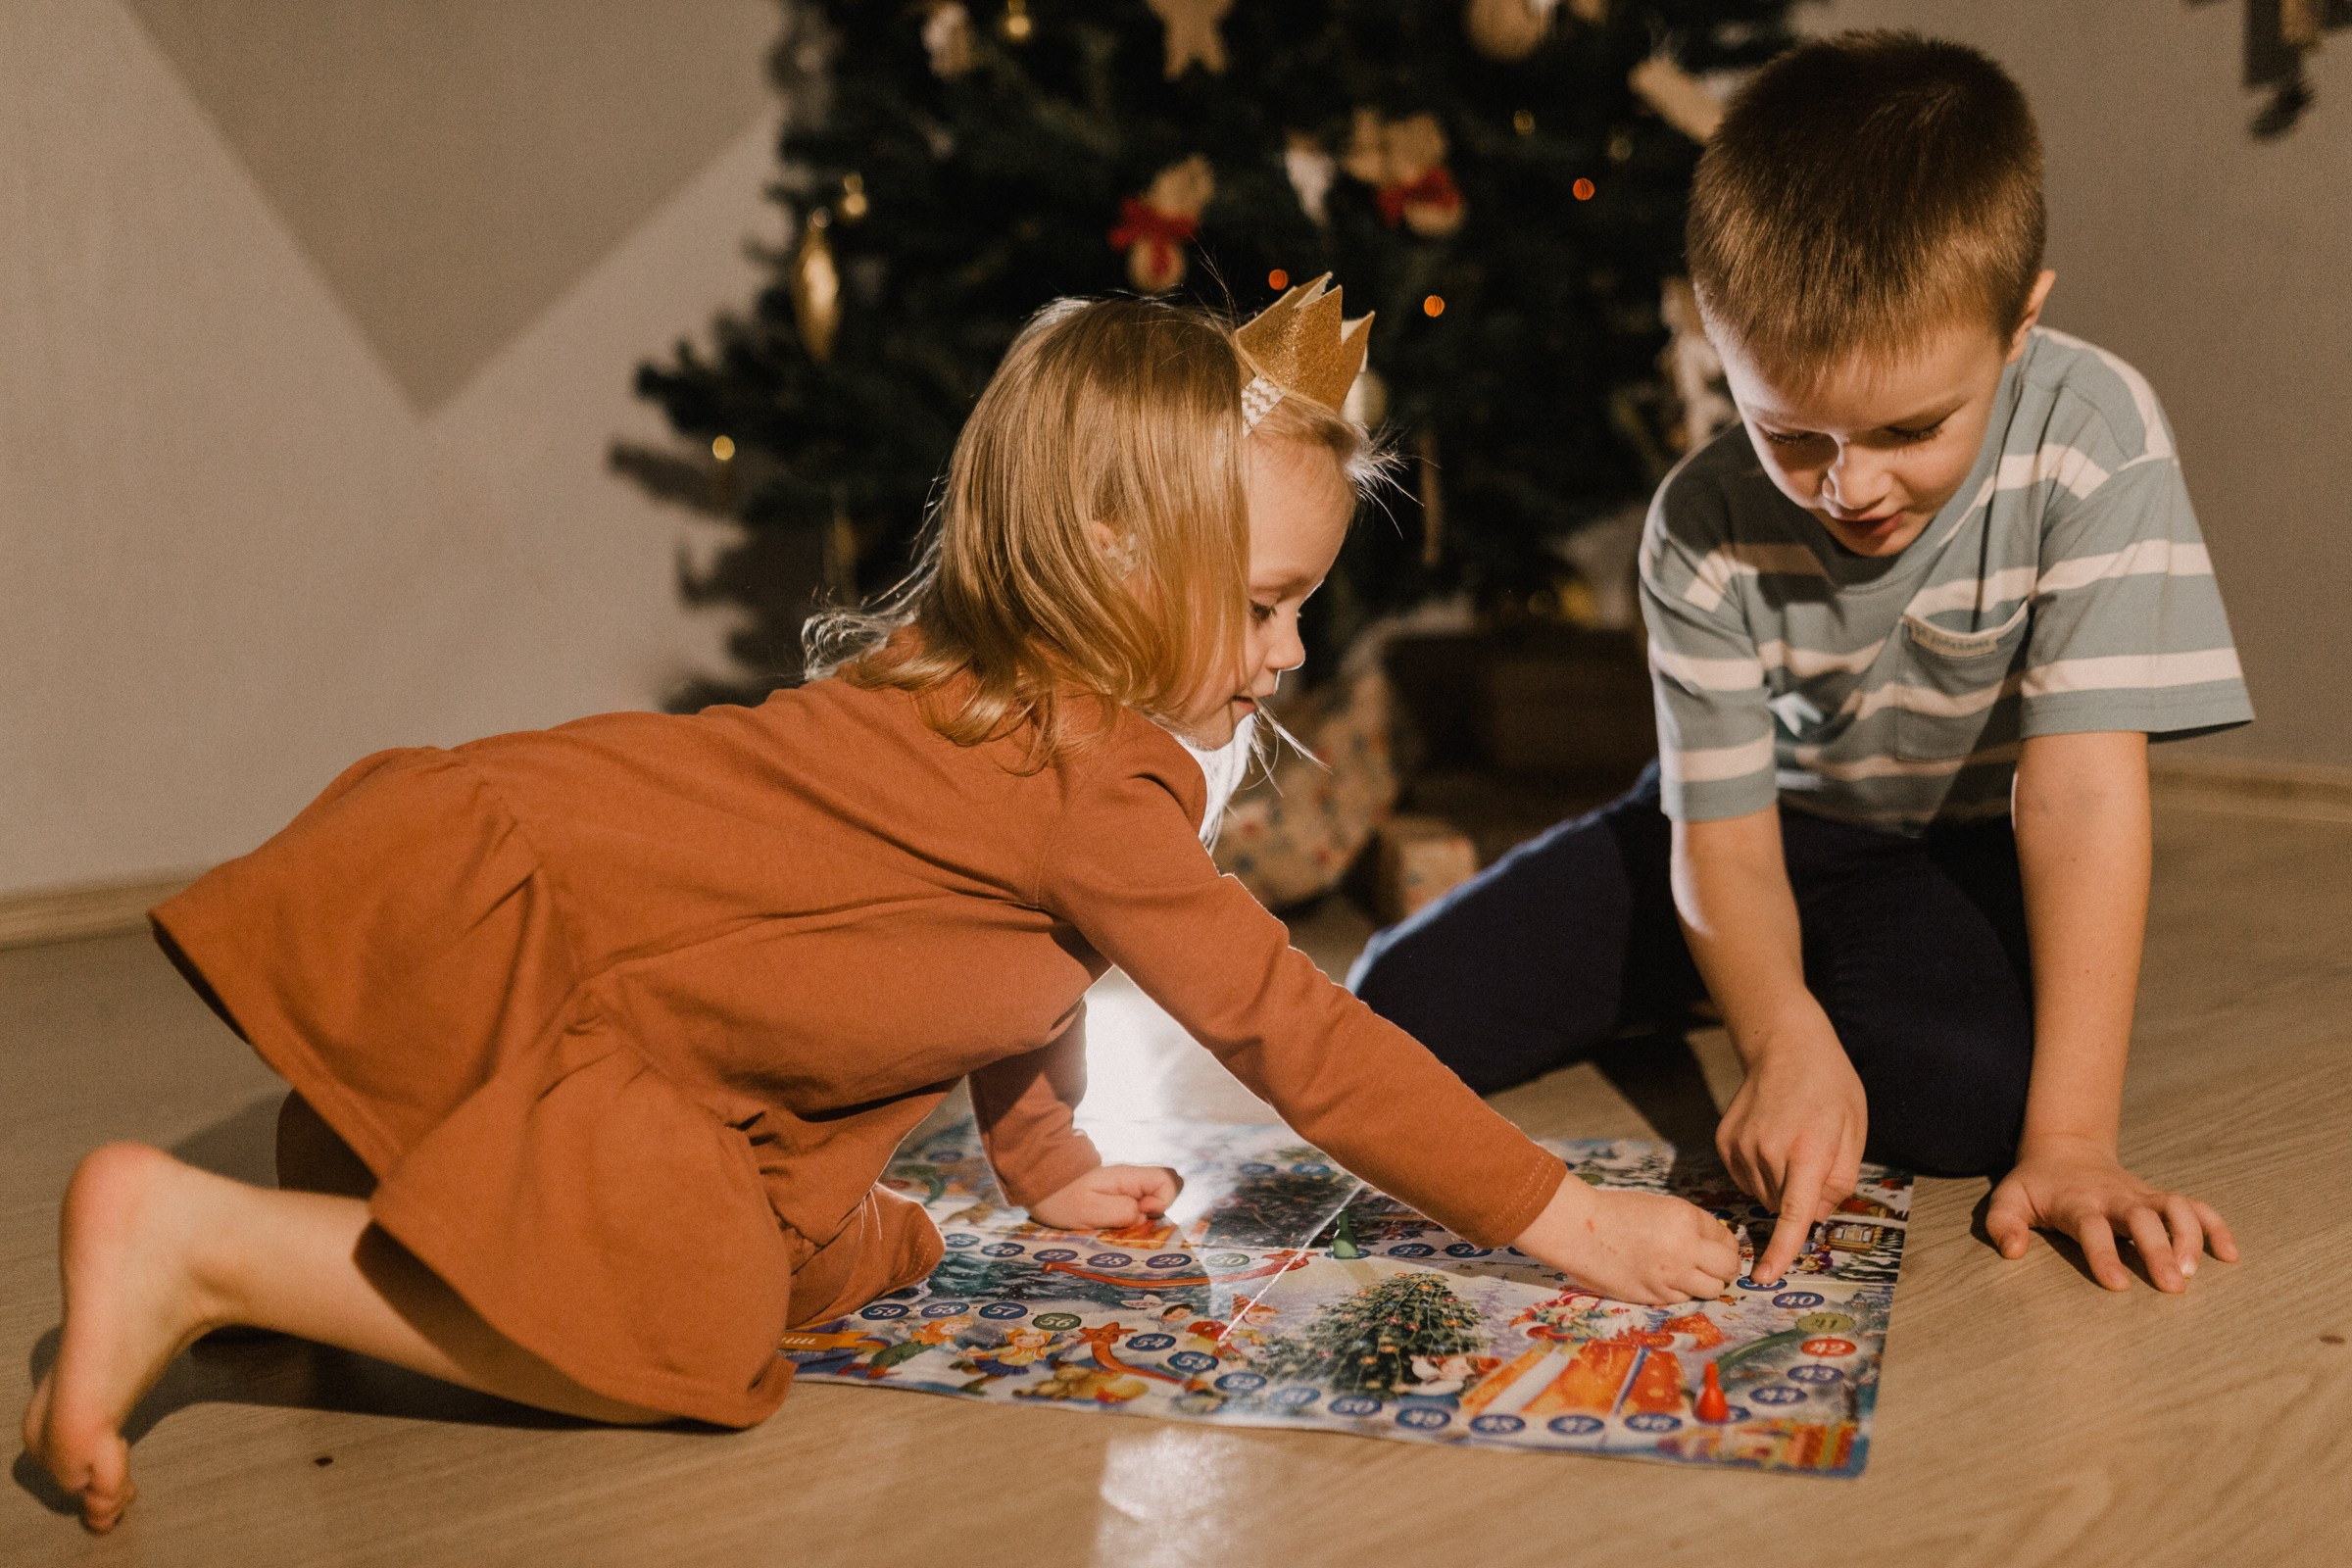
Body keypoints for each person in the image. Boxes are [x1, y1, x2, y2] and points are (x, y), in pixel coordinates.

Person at [24, 281, 1739, 1533]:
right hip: (587, 961)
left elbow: (1007, 957)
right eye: (1271, 605)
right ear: (1122, 561)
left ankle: (365, 1218)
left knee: (805, 1254)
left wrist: (1045, 1163)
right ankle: (207, 1253)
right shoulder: (1110, 779)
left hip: (524, 902)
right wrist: (1563, 1223)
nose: (1291, 652)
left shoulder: (984, 683)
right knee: (694, 1329)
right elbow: (1294, 1031)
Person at [1352, 34, 2247, 1296]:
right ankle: (1755, 972)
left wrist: (2073, 1144)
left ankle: (1778, 975)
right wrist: (1782, 1037)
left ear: (2019, 324)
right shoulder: (1700, 523)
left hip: (1956, 836)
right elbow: (1717, 825)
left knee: (1960, 1106)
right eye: (1792, 434)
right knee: (1399, 1007)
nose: (1852, 484)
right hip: (1752, 823)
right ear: (1722, 350)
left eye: (1911, 429)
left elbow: (2086, 793)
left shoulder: (2096, 437)